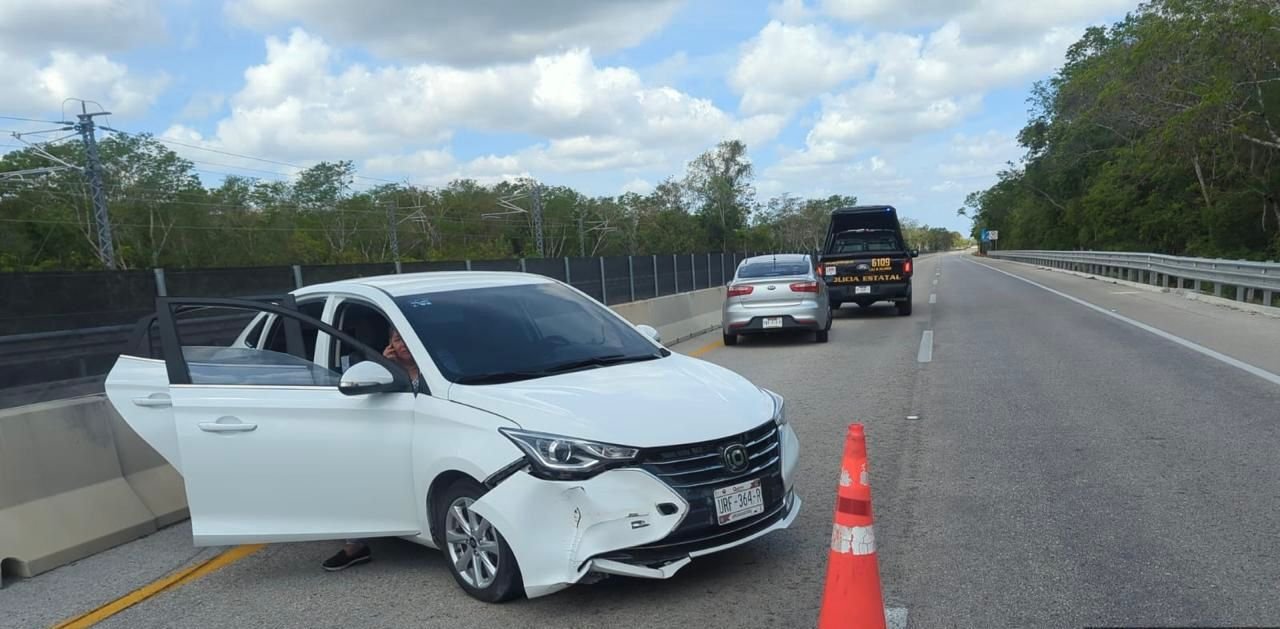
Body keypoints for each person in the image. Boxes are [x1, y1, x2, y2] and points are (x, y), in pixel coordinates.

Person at [322, 325, 420, 572]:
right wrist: (385, 365)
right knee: (352, 476)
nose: (403, 344)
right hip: (389, 438)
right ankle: (355, 545)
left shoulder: (436, 368)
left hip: (423, 436)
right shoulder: (384, 371)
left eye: (408, 338)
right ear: (390, 346)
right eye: (398, 339)